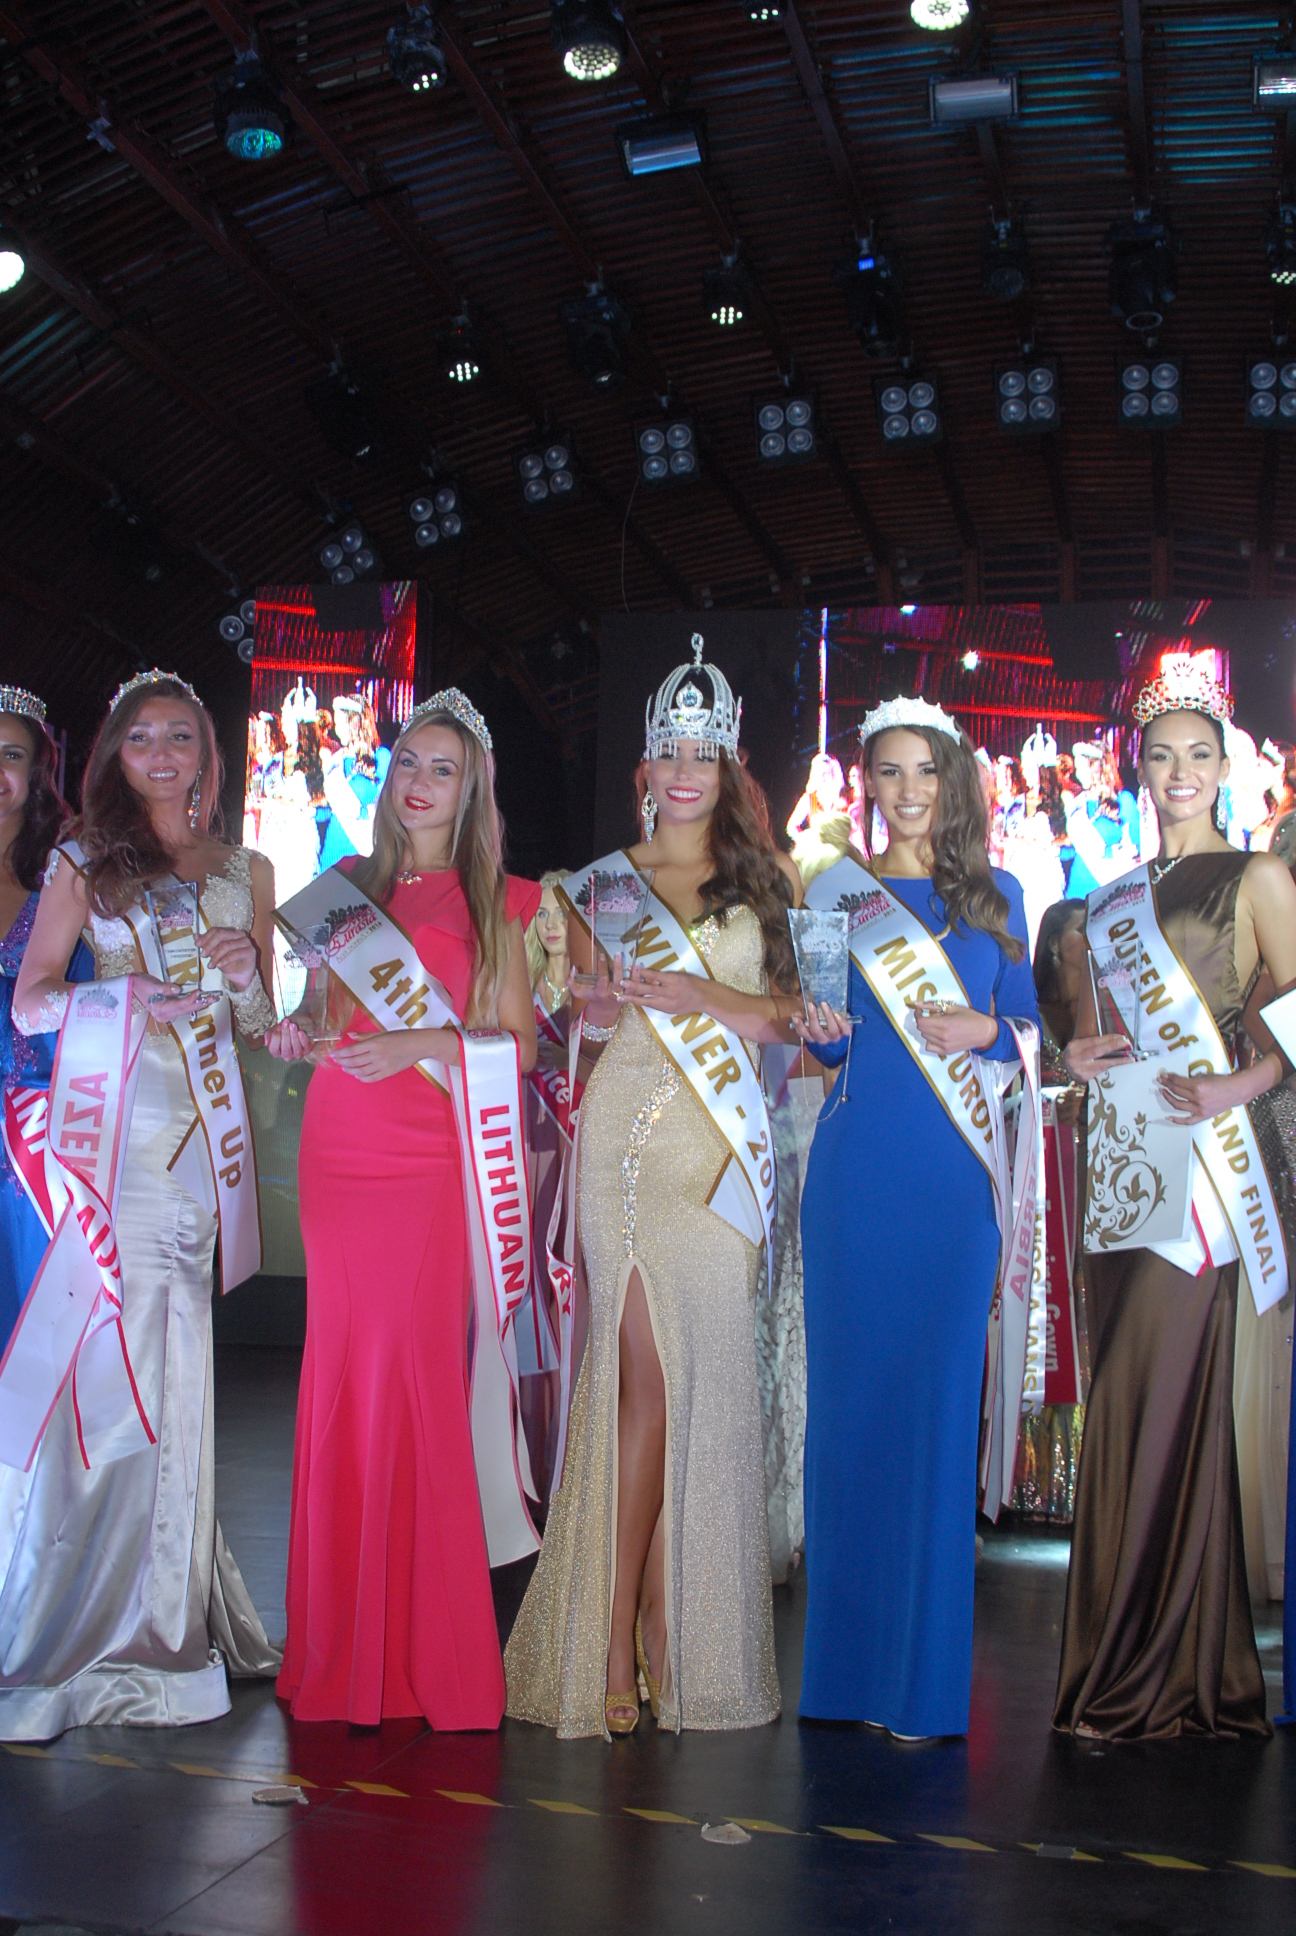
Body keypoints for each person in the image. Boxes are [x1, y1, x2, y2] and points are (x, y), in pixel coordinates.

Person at [504, 635, 801, 1737]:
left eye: (702, 754)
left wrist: (698, 993)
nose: (683, 772)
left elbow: (794, 1019)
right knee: (643, 1383)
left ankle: (670, 1625)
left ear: (728, 770)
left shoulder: (768, 883)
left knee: (698, 1386)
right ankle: (621, 1631)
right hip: (626, 1146)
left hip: (718, 1154)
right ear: (644, 766)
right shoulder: (593, 888)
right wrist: (584, 1003)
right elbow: (564, 1021)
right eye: (668, 752)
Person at [6, 670, 279, 1740]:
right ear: (114, 754)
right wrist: (118, 996)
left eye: (179, 736)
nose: (161, 754)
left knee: (174, 1359)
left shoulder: (246, 871)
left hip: (197, 1151)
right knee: (101, 1358)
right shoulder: (84, 861)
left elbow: (257, 1025)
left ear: (208, 755)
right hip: (109, 1135)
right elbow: (31, 999)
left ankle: (166, 1618)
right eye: (141, 737)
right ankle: (73, 1619)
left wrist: (247, 972)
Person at [267, 690, 539, 1728]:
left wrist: (423, 1043)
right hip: (341, 1143)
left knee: (416, 1379)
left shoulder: (498, 901)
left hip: (428, 1158)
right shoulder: (345, 887)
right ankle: (344, 1649)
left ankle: (424, 1655)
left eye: (443, 769)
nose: (419, 783)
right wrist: (296, 1030)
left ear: (472, 791)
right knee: (341, 1374)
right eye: (408, 764)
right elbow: (319, 1016)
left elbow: (519, 1046)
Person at [1055, 660, 1296, 1740]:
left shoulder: (1257, 877)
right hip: (1122, 1164)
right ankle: (1174, 1672)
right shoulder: (1107, 901)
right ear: (1138, 771)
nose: (1180, 771)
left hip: (1204, 1172)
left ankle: (1130, 1672)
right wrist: (1075, 1050)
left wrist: (1242, 1083)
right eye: (1161, 756)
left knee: (1152, 1398)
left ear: (1226, 766)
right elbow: (1091, 1037)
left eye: (1199, 753)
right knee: (1136, 1399)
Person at [794, 695, 1040, 1740]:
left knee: (936, 1426)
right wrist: (817, 1026)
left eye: (925, 771)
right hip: (854, 1181)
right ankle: (844, 1680)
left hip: (951, 1189)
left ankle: (923, 1689)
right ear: (868, 784)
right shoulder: (832, 892)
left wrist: (985, 1028)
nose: (906, 791)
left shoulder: (999, 896)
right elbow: (826, 1046)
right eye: (888, 772)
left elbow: (1029, 1031)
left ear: (954, 780)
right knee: (849, 1426)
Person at [0, 689, 93, 1351]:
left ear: (35, 772)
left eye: (10, 754)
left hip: (33, 1149)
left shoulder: (64, 879)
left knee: (34, 1346)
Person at [1012, 899, 1089, 1522]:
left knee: (1079, 1315)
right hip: (1037, 1182)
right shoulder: (1033, 1011)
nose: (1087, 944)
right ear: (1054, 943)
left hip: (1085, 1180)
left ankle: (1079, 1474)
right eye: (1079, 933)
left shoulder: (1107, 1007)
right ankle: (1027, 1478)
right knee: (1035, 1309)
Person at [517, 870, 582, 1504]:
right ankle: (531, 1466)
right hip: (527, 1152)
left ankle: (571, 1463)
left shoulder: (595, 993)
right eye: (542, 914)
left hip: (577, 1156)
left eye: (562, 912)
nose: (552, 924)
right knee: (529, 1288)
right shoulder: (521, 991)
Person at [319, 693, 389, 867]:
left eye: (340, 723)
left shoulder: (381, 757)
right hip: (333, 848)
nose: (337, 730)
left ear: (355, 721)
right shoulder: (336, 760)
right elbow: (328, 811)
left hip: (363, 850)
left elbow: (388, 807)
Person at [787, 752, 852, 884]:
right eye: (819, 773)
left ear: (833, 773)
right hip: (818, 860)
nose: (822, 777)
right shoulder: (809, 798)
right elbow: (791, 826)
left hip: (843, 858)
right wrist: (804, 840)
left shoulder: (845, 797)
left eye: (826, 773)